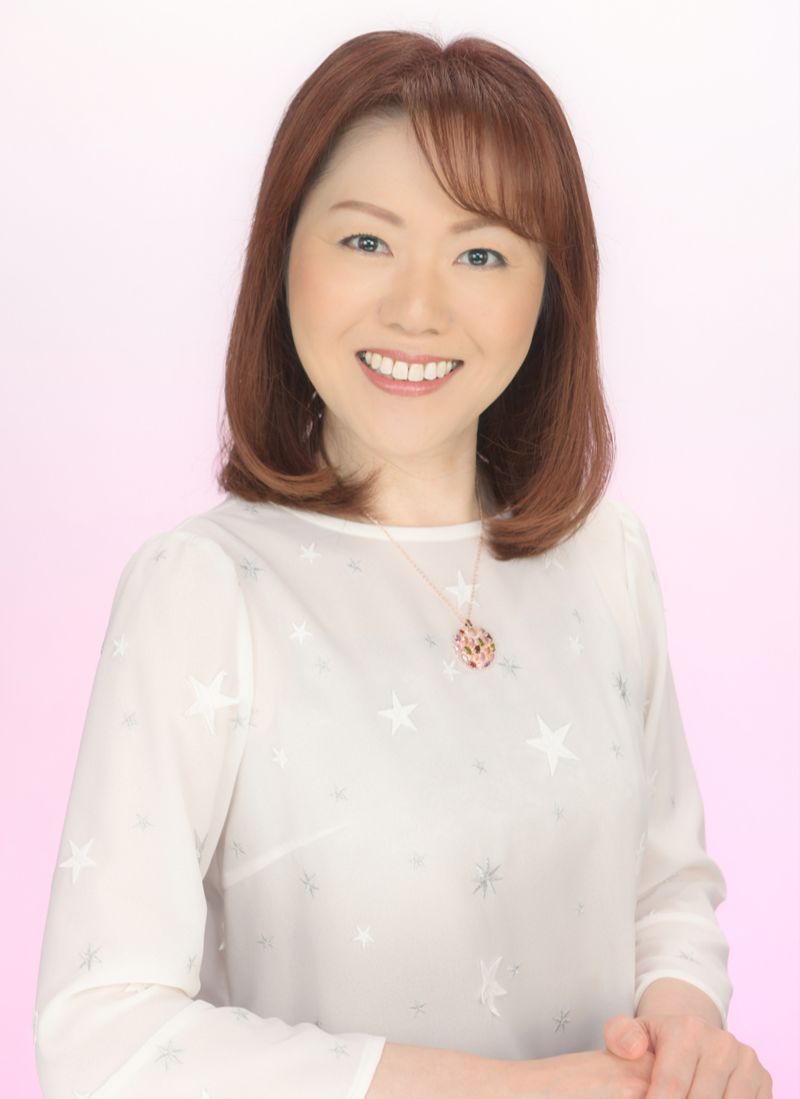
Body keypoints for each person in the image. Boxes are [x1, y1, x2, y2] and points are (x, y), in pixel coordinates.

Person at [33, 27, 772, 1099]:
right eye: (366, 241)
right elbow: (102, 1038)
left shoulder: (606, 558)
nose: (417, 308)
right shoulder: (203, 588)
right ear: (282, 255)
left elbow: (665, 889)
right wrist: (517, 1092)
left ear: (550, 292)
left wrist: (683, 1028)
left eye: (481, 254)